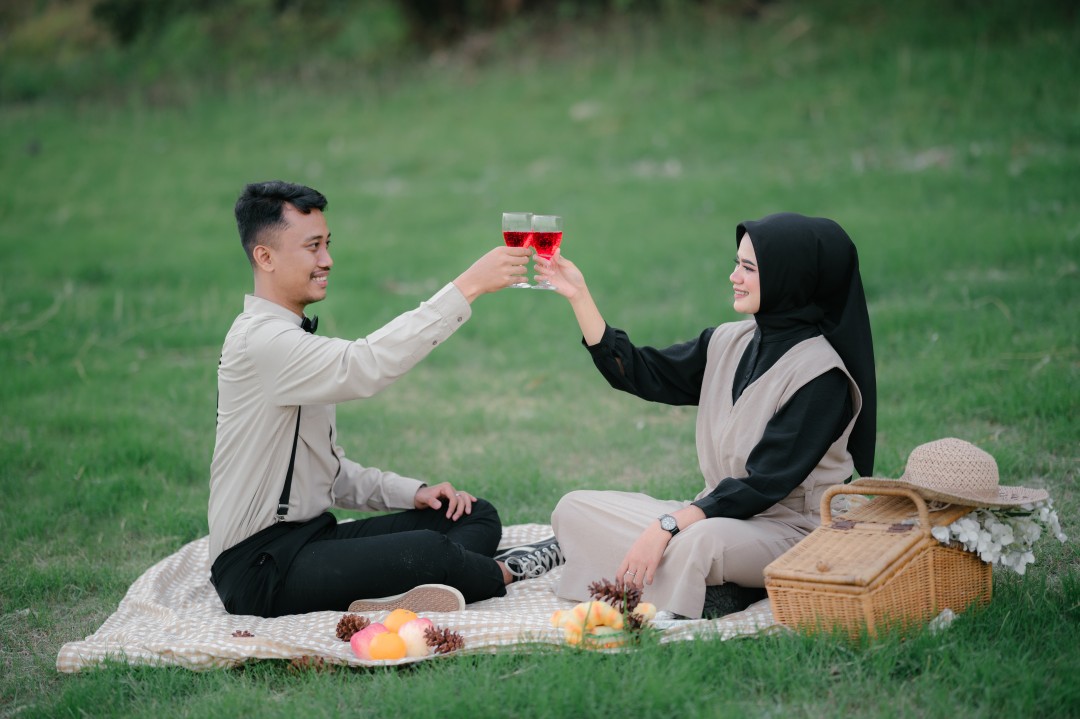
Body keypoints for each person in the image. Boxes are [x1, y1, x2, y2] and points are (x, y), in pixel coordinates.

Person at [208, 180, 564, 618]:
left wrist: (413, 493)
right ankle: (504, 571)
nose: (327, 260)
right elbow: (366, 365)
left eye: (327, 244)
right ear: (266, 257)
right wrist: (469, 286)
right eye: (313, 247)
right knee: (428, 550)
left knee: (474, 516)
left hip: (312, 540)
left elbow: (327, 473)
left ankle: (410, 585)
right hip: (260, 568)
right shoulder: (262, 342)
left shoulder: (288, 339)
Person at [536, 212, 877, 619]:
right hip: (712, 513)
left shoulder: (821, 376)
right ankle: (708, 585)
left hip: (789, 531)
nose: (734, 276)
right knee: (574, 509)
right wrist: (579, 296)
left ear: (790, 278)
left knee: (699, 544)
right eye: (737, 263)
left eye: (749, 268)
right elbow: (640, 372)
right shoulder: (728, 341)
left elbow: (764, 484)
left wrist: (667, 525)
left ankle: (702, 586)